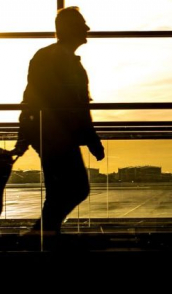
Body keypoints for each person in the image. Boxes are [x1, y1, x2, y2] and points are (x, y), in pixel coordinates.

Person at [12, 6, 105, 236]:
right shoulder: (61, 59)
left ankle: (44, 235)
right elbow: (76, 106)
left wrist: (25, 135)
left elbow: (32, 98)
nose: (87, 28)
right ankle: (42, 234)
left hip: (50, 134)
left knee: (61, 191)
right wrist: (92, 139)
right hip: (57, 136)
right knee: (76, 188)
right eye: (82, 24)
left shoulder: (50, 57)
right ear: (70, 29)